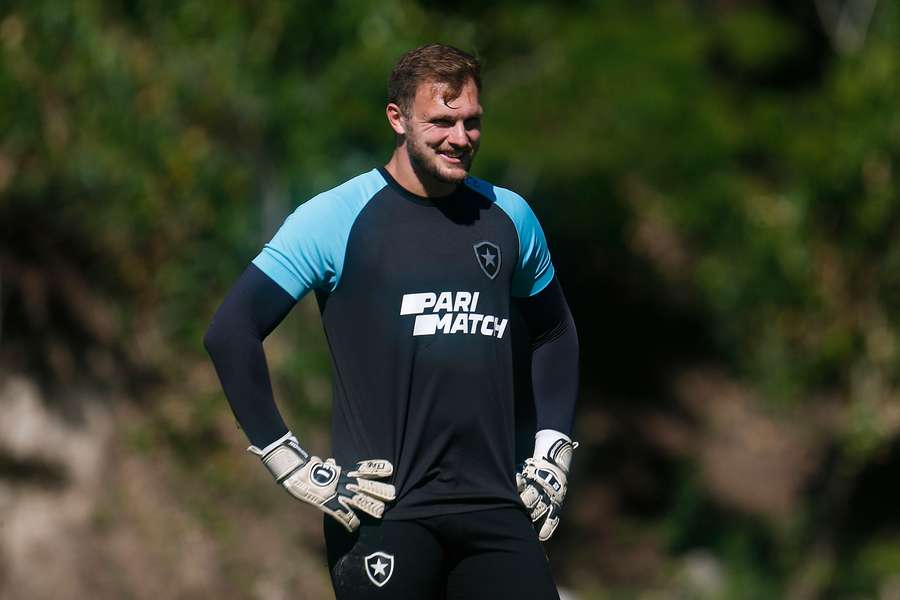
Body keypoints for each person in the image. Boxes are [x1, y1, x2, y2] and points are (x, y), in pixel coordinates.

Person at [204, 43, 579, 599]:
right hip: (385, 515)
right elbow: (231, 332)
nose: (460, 138)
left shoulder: (509, 217)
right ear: (397, 118)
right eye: (442, 121)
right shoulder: (336, 217)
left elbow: (555, 331)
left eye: (472, 122)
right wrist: (288, 461)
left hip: (498, 510)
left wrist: (553, 450)